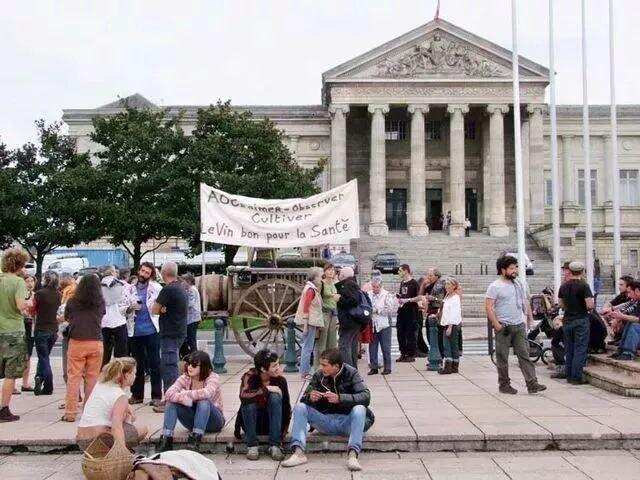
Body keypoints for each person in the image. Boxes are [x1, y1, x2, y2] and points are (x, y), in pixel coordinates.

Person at [282, 348, 375, 472]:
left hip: (347, 422)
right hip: (325, 421)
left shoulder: (351, 373)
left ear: (336, 366)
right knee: (300, 407)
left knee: (360, 409)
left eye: (325, 365)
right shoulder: (319, 375)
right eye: (321, 364)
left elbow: (365, 396)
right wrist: (310, 397)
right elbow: (305, 397)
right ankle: (298, 453)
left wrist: (340, 398)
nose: (322, 368)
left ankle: (353, 455)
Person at [485, 255, 547, 395]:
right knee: (502, 357)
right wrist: (496, 324)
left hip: (519, 325)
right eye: (511, 268)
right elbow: (488, 307)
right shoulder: (495, 286)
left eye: (516, 268)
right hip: (504, 327)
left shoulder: (518, 283)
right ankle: (504, 384)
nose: (515, 271)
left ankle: (532, 383)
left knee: (524, 355)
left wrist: (530, 319)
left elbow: (525, 301)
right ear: (503, 270)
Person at [76, 357, 148, 451]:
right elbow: (116, 427)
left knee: (126, 417)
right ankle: (116, 451)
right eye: (133, 373)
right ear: (126, 375)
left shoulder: (100, 384)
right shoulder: (119, 395)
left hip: (82, 439)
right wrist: (121, 451)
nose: (135, 376)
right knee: (143, 429)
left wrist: (128, 407)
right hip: (98, 441)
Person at [158, 350, 224, 452]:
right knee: (171, 403)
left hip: (214, 421)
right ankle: (166, 439)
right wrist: (184, 399)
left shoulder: (213, 377)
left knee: (203, 401)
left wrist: (185, 395)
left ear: (204, 367)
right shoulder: (185, 378)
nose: (189, 367)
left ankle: (195, 440)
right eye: (188, 364)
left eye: (194, 365)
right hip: (192, 420)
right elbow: (168, 394)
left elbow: (207, 393)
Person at [62, 274, 106, 422]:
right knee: (92, 378)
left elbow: (67, 318)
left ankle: (70, 412)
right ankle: (90, 412)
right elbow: (102, 317)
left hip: (77, 341)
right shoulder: (100, 302)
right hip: (96, 341)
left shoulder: (73, 301)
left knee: (73, 378)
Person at [235, 349, 291, 461]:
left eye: (278, 364)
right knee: (249, 402)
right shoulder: (249, 376)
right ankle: (252, 446)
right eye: (274, 366)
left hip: (272, 425)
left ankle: (275, 445)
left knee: (275, 397)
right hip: (252, 425)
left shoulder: (280, 380)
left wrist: (283, 432)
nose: (278, 368)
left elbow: (286, 407)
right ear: (263, 369)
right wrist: (266, 389)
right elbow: (244, 396)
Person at [152, 261, 188, 408]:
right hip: (179, 331)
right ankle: (173, 397)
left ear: (163, 273)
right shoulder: (180, 287)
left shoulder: (167, 290)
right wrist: (163, 308)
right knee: (171, 365)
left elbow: (154, 309)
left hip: (170, 333)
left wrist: (161, 309)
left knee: (168, 367)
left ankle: (170, 400)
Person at [0, 248, 30, 422]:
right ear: (20, 264)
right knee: (11, 374)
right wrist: (29, 303)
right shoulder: (18, 282)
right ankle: (3, 409)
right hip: (13, 332)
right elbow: (20, 306)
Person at [128, 262, 163, 407]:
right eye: (142, 271)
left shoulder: (156, 288)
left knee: (155, 363)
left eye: (147, 273)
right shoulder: (129, 288)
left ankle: (156, 395)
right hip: (135, 331)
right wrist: (130, 307)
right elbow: (122, 306)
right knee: (138, 365)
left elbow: (161, 307)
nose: (143, 274)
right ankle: (137, 395)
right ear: (138, 271)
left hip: (152, 330)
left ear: (151, 275)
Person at [557, 261, 594, 385]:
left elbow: (561, 304)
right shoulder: (584, 286)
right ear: (582, 271)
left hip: (567, 320)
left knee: (569, 349)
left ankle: (569, 374)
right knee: (580, 348)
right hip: (581, 319)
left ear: (570, 271)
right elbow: (589, 305)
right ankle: (576, 377)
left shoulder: (563, 286)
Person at [33, 271, 61, 396]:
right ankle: (39, 377)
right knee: (44, 356)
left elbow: (34, 309)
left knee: (43, 357)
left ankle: (48, 385)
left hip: (41, 328)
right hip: (53, 329)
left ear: (45, 279)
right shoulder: (59, 294)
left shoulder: (39, 294)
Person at [295, 267, 325, 379]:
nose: (321, 279)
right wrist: (306, 325)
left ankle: (305, 370)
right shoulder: (311, 290)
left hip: (311, 321)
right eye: (320, 276)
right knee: (307, 347)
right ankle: (304, 372)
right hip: (310, 322)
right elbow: (306, 308)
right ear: (315, 277)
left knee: (307, 347)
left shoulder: (311, 288)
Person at [99, 265, 132, 367]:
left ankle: (103, 377)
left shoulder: (98, 287)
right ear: (113, 272)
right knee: (121, 356)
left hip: (104, 323)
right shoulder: (122, 285)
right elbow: (127, 304)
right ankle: (119, 377)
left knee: (104, 356)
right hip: (119, 321)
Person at [366, 277, 397, 375]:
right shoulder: (368, 294)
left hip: (384, 324)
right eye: (373, 287)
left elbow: (391, 310)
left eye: (377, 287)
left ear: (381, 286)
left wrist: (377, 311)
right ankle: (373, 367)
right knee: (372, 347)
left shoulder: (387, 295)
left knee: (385, 347)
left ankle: (387, 367)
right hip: (372, 324)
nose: (375, 289)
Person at [603, 280, 640, 361]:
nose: (629, 296)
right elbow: (627, 309)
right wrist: (618, 316)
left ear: (637, 291)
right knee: (630, 323)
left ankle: (628, 353)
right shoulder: (636, 301)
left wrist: (621, 316)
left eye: (630, 292)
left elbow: (638, 319)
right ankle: (621, 350)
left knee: (634, 325)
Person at [417, 268, 446, 369]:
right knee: (430, 336)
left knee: (438, 337)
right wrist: (423, 285)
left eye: (430, 275)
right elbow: (420, 295)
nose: (428, 277)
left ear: (436, 276)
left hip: (438, 313)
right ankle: (434, 356)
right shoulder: (429, 285)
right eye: (427, 275)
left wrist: (433, 298)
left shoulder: (440, 284)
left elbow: (442, 300)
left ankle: (440, 358)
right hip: (430, 312)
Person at [335, 267, 363, 369]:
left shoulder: (348, 284)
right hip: (354, 321)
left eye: (340, 273)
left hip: (349, 321)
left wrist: (340, 299)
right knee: (352, 346)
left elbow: (353, 301)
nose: (338, 275)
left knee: (344, 346)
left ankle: (348, 371)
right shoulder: (353, 284)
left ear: (343, 275)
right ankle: (353, 370)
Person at [314, 263, 339, 370]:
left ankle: (330, 366)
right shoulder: (321, 284)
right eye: (329, 270)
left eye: (332, 270)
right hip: (324, 314)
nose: (331, 272)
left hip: (333, 314)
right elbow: (317, 299)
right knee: (322, 344)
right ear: (324, 272)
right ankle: (318, 368)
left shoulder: (334, 284)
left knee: (332, 343)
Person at [438, 277, 463, 375]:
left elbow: (455, 313)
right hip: (446, 323)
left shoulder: (455, 297)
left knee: (449, 346)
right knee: (451, 345)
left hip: (452, 325)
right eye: (446, 284)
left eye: (449, 285)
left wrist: (450, 326)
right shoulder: (447, 296)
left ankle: (449, 367)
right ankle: (453, 366)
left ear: (454, 286)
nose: (446, 286)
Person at [396, 264, 420, 363]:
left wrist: (408, 300)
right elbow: (403, 294)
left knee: (410, 333)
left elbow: (419, 297)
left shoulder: (414, 283)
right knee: (400, 332)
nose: (398, 272)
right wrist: (399, 297)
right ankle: (403, 352)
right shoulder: (402, 282)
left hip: (411, 311)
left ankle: (411, 354)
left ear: (406, 271)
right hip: (402, 311)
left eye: (400, 270)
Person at [58, 272, 77, 389]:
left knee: (69, 368)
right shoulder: (79, 291)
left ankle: (74, 396)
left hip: (69, 332)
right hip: (80, 333)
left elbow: (63, 314)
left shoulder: (68, 292)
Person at [179, 273, 201, 359]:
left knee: (191, 339)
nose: (181, 284)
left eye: (183, 281)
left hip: (192, 319)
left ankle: (194, 357)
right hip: (190, 319)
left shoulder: (192, 290)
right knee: (187, 339)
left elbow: (190, 304)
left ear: (188, 281)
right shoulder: (190, 290)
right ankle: (189, 356)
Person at [20, 275, 37, 393]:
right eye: (27, 281)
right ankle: (13, 384)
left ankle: (25, 383)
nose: (30, 283)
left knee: (28, 356)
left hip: (31, 326)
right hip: (20, 326)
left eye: (32, 281)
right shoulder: (19, 294)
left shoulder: (35, 295)